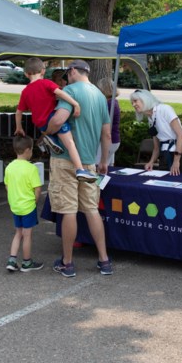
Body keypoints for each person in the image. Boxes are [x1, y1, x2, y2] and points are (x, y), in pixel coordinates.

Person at [44, 60, 112, 277]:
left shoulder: (70, 91)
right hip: (90, 162)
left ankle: (68, 262)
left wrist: (47, 130)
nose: (66, 79)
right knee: (92, 210)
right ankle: (104, 260)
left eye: (67, 74)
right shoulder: (101, 96)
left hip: (66, 162)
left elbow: (59, 120)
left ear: (73, 71)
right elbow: (106, 134)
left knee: (69, 211)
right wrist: (104, 160)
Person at [14, 57, 95, 182]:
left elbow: (19, 112)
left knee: (58, 139)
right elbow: (61, 93)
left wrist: (19, 127)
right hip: (52, 117)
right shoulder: (46, 83)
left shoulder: (25, 91)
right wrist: (75, 104)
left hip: (39, 123)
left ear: (26, 74)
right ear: (43, 71)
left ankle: (50, 139)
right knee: (70, 143)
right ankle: (80, 170)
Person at [3, 135, 44, 273]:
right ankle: (27, 263)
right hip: (28, 206)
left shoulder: (9, 167)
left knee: (18, 233)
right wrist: (35, 201)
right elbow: (37, 189)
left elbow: (7, 186)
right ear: (27, 150)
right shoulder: (31, 168)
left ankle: (12, 260)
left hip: (15, 206)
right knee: (27, 235)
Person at [129, 89, 182, 177]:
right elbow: (156, 146)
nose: (133, 105)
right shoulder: (150, 118)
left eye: (135, 101)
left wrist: (176, 161)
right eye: (132, 102)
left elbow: (181, 135)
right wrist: (151, 162)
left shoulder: (164, 109)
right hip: (165, 153)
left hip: (180, 153)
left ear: (145, 99)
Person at [95, 76, 120, 167]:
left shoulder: (109, 104)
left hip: (109, 140)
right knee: (107, 166)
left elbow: (104, 125)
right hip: (113, 139)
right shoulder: (112, 102)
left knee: (99, 165)